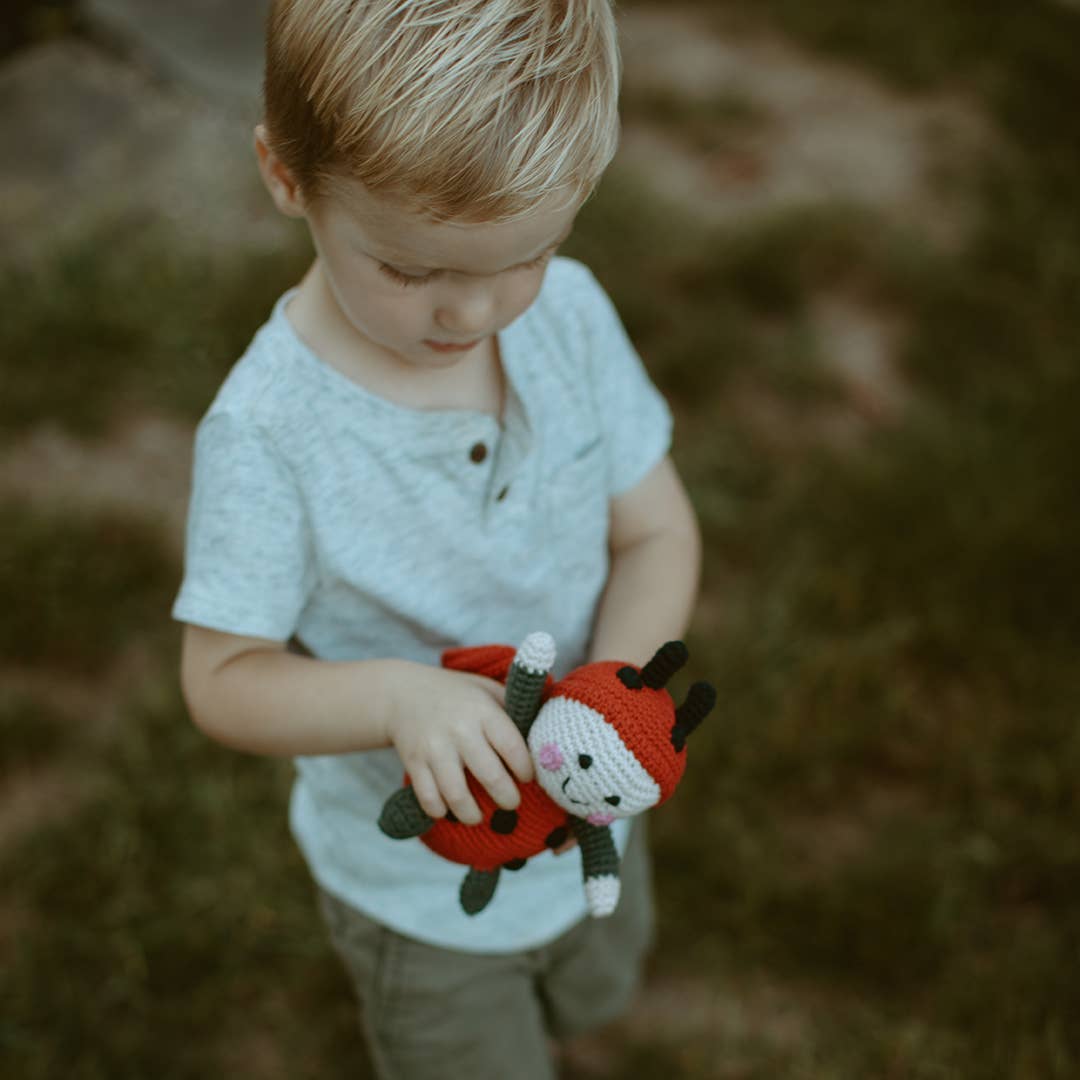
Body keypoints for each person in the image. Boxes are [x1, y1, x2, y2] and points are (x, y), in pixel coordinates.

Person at [173, 1, 702, 1076]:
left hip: (596, 825)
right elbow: (221, 678)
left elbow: (656, 534)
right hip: (421, 897)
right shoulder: (270, 436)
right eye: (413, 271)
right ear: (286, 177)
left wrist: (614, 697)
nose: (476, 312)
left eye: (532, 253)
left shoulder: (570, 318)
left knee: (598, 987)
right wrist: (394, 697)